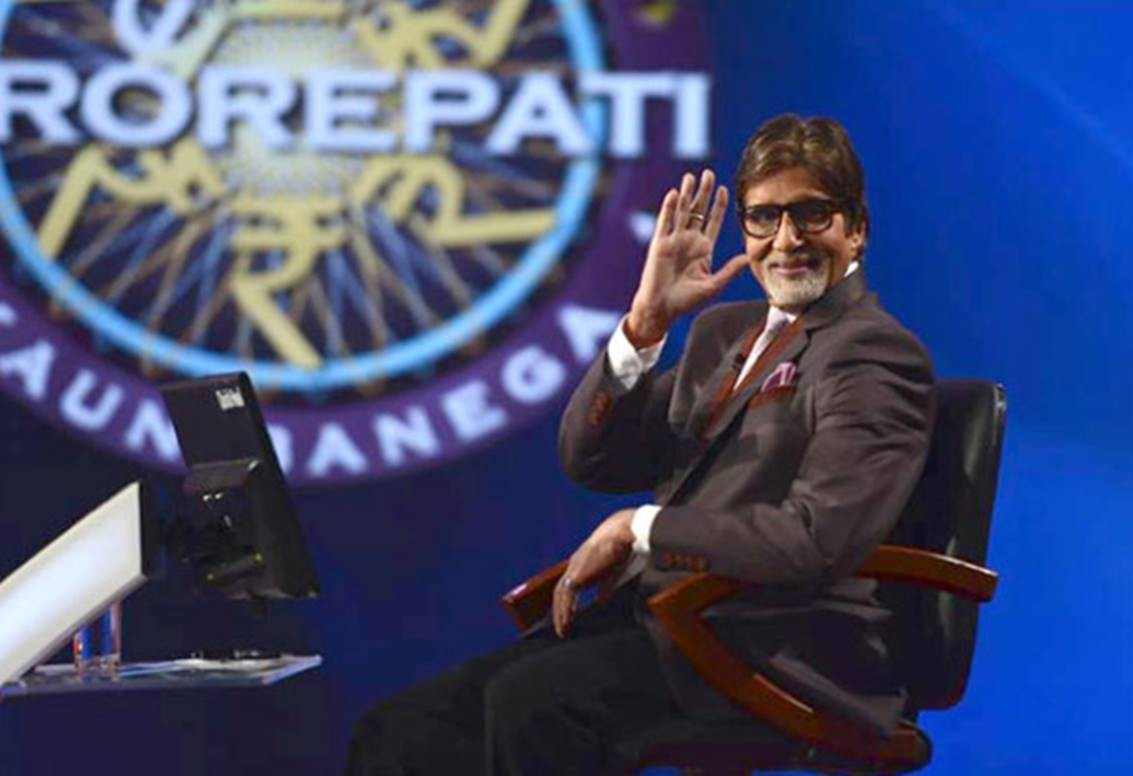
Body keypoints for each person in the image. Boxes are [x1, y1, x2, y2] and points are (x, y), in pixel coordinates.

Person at [347, 115, 936, 776]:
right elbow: (592, 459)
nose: (786, 239)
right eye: (764, 218)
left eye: (811, 213)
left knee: (530, 704)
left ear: (856, 228)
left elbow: (816, 541)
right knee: (399, 732)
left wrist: (641, 528)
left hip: (773, 647)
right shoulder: (724, 333)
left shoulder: (871, 351)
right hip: (661, 626)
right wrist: (645, 324)